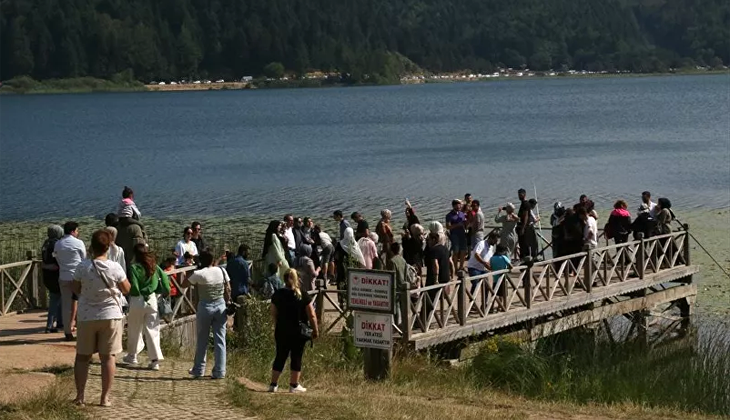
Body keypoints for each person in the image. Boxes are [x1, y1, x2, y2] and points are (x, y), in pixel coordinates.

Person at [71, 229, 131, 407]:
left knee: (82, 357)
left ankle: (80, 396)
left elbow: (75, 288)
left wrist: (89, 294)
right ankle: (104, 398)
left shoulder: (83, 266)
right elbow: (126, 288)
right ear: (108, 247)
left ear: (91, 247)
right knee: (108, 357)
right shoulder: (115, 267)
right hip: (111, 315)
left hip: (87, 315)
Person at [182, 251, 231, 379]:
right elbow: (229, 288)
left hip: (205, 307)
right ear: (212, 260)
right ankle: (220, 371)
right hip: (220, 306)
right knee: (220, 339)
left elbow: (184, 284)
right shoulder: (221, 271)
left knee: (202, 339)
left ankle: (199, 369)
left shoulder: (199, 274)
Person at [269, 269, 319, 393]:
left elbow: (273, 313)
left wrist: (276, 325)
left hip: (281, 330)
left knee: (280, 355)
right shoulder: (302, 294)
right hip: (298, 331)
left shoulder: (278, 294)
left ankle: (273, 384)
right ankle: (294, 384)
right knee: (296, 356)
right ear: (298, 279)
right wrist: (315, 330)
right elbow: (311, 314)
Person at [122, 245, 170, 370]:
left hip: (138, 300)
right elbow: (165, 283)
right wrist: (160, 291)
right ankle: (155, 361)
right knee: (153, 330)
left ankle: (133, 355)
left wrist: (131, 293)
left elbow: (135, 287)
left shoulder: (133, 267)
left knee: (134, 328)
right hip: (152, 299)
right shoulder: (155, 266)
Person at [55, 221, 86, 341]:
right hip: (77, 277)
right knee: (81, 303)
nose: (78, 233)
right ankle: (81, 328)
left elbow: (56, 257)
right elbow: (83, 259)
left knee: (66, 304)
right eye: (77, 231)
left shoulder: (58, 244)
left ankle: (67, 331)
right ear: (73, 231)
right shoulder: (78, 243)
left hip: (63, 276)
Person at [41, 225, 64, 333]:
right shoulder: (56, 244)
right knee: (55, 300)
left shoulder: (46, 243)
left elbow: (45, 260)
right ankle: (50, 325)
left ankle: (58, 323)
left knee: (56, 299)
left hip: (47, 276)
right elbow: (56, 258)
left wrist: (45, 266)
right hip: (55, 275)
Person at [445, 199, 468, 272]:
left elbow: (465, 223)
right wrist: (457, 225)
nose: (459, 206)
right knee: (456, 252)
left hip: (462, 234)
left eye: (460, 205)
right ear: (454, 206)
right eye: (458, 205)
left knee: (463, 251)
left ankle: (461, 266)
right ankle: (455, 268)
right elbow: (448, 227)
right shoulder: (449, 215)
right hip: (454, 235)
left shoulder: (462, 213)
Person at [516, 188, 529, 258]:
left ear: (524, 194)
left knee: (524, 245)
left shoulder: (525, 204)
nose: (519, 196)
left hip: (523, 227)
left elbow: (526, 216)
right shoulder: (522, 203)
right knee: (521, 245)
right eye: (518, 195)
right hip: (521, 226)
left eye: (520, 194)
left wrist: (523, 228)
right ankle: (523, 258)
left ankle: (525, 259)